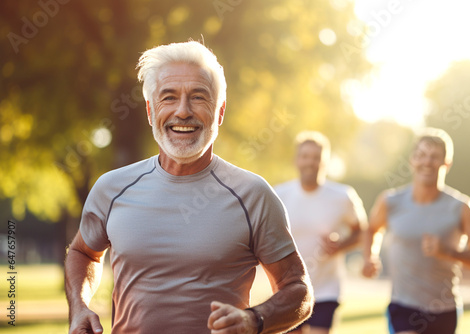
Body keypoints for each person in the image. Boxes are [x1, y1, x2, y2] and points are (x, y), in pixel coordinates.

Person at [65, 40, 313, 334]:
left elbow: (298, 289)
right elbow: (83, 253)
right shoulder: (111, 188)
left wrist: (254, 319)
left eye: (198, 97)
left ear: (219, 111)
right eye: (168, 97)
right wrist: (79, 307)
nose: (183, 112)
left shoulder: (253, 194)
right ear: (150, 110)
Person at [362, 128, 470, 334]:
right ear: (411, 161)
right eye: (421, 155)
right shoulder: (390, 201)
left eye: (434, 157)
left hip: (444, 308)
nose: (427, 162)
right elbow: (371, 230)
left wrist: (449, 253)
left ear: (446, 164)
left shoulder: (462, 207)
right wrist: (369, 257)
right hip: (402, 306)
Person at [274, 131, 367, 334]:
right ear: (296, 160)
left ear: (325, 162)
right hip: (288, 288)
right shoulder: (278, 195)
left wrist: (341, 245)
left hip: (326, 289)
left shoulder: (342, 196)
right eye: (305, 156)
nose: (311, 162)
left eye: (317, 157)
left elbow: (362, 232)